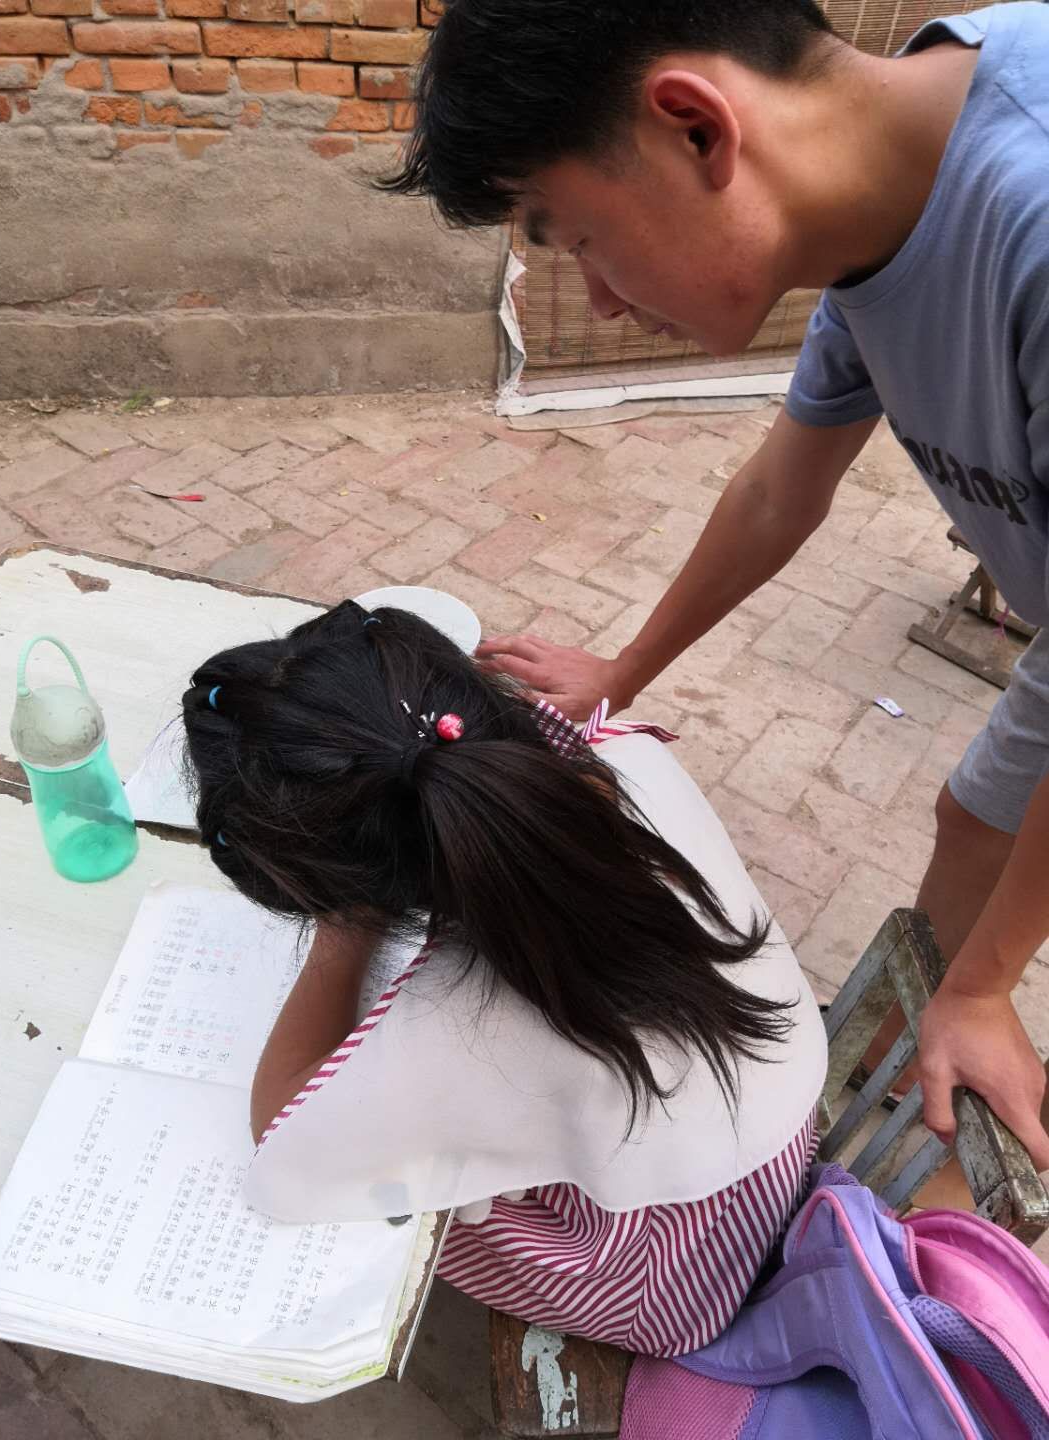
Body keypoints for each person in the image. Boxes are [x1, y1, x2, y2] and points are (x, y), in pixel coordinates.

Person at [383, 0, 1049, 1172]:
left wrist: (991, 981)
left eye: (577, 238)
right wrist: (622, 672)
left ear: (696, 128)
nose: (596, 298)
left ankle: (955, 1052)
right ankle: (908, 1061)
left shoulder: (1028, 218)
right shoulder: (873, 198)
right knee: (974, 822)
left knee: (982, 968)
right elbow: (780, 492)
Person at [181, 600, 826, 1355]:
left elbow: (282, 1129)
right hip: (761, 1139)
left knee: (400, 1199)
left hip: (669, 1279)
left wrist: (344, 929)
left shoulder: (464, 1025)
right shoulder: (627, 757)